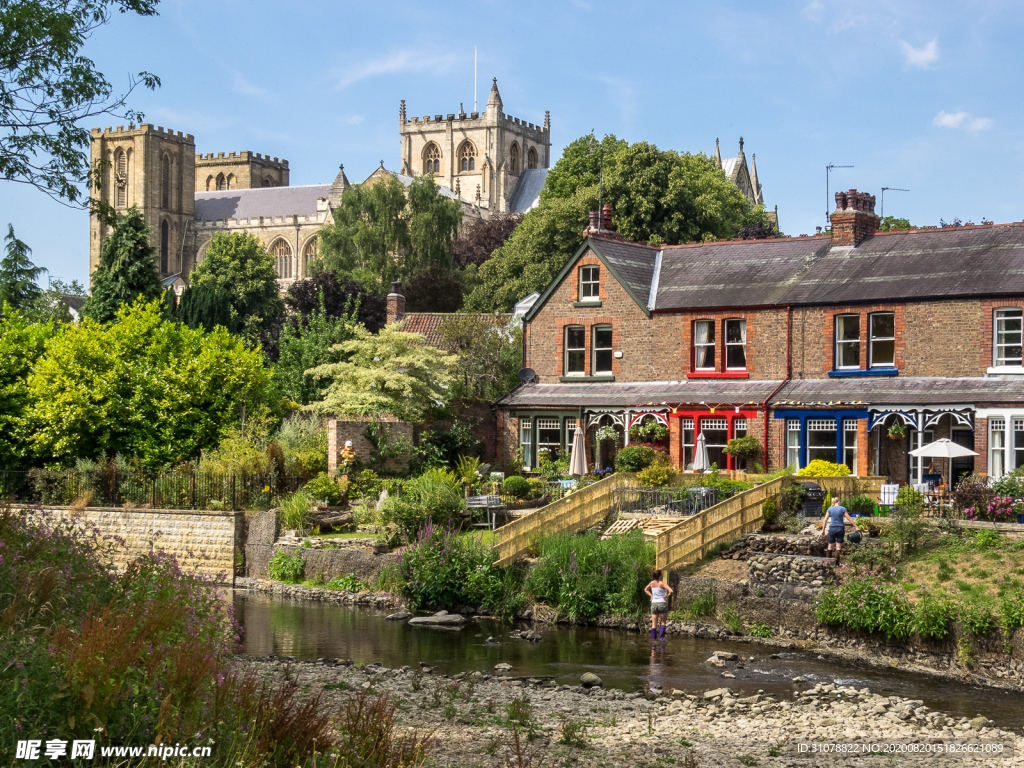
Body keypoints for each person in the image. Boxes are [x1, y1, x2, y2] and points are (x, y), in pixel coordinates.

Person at [819, 496, 856, 563]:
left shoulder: (829, 509)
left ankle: (828, 562)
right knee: (838, 547)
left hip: (832, 528)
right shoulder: (843, 509)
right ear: (838, 502)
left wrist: (823, 530)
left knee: (830, 546)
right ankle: (836, 563)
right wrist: (856, 526)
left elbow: (825, 520)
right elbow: (849, 518)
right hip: (840, 528)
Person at [644, 570, 674, 640]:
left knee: (654, 624)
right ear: (660, 576)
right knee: (663, 622)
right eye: (662, 575)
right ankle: (661, 639)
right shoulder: (662, 583)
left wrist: (651, 595)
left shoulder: (651, 583)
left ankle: (653, 639)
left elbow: (645, 589)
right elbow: (671, 591)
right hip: (662, 603)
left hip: (654, 603)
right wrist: (667, 596)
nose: (663, 576)